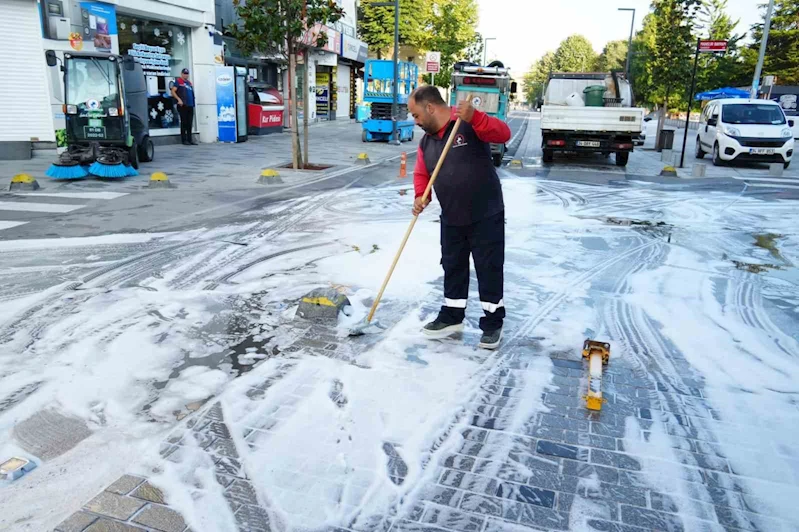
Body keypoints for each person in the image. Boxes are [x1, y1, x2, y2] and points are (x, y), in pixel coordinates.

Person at [408, 85, 511, 350]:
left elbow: (503, 134)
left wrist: (476, 117)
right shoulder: (426, 143)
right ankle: (452, 316)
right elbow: (423, 174)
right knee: (452, 267)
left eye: (417, 115)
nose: (415, 121)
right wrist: (422, 196)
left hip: (485, 213)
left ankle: (492, 324)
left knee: (488, 269)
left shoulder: (466, 123)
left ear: (430, 107)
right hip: (452, 215)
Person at [170, 68, 196, 145]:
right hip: (183, 105)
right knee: (184, 122)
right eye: (184, 73)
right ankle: (184, 140)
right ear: (181, 74)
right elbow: (173, 91)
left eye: (187, 74)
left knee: (189, 123)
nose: (186, 75)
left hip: (190, 105)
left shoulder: (189, 83)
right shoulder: (178, 82)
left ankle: (190, 139)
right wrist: (179, 99)